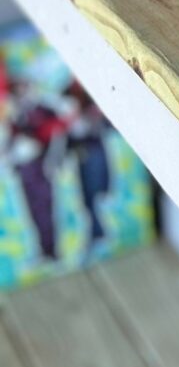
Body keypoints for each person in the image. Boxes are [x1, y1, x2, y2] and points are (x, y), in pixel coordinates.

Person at [5, 82, 67, 263]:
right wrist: (12, 157)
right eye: (18, 91)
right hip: (24, 169)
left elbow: (58, 136)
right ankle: (43, 250)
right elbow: (11, 138)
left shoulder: (45, 110)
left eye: (24, 89)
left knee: (44, 209)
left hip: (41, 167)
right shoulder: (17, 114)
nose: (22, 94)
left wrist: (53, 161)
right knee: (32, 211)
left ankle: (52, 250)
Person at [63, 81, 112, 249]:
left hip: (95, 154)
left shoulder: (94, 95)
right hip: (82, 158)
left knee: (98, 195)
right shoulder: (67, 94)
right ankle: (97, 232)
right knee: (88, 198)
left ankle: (99, 232)